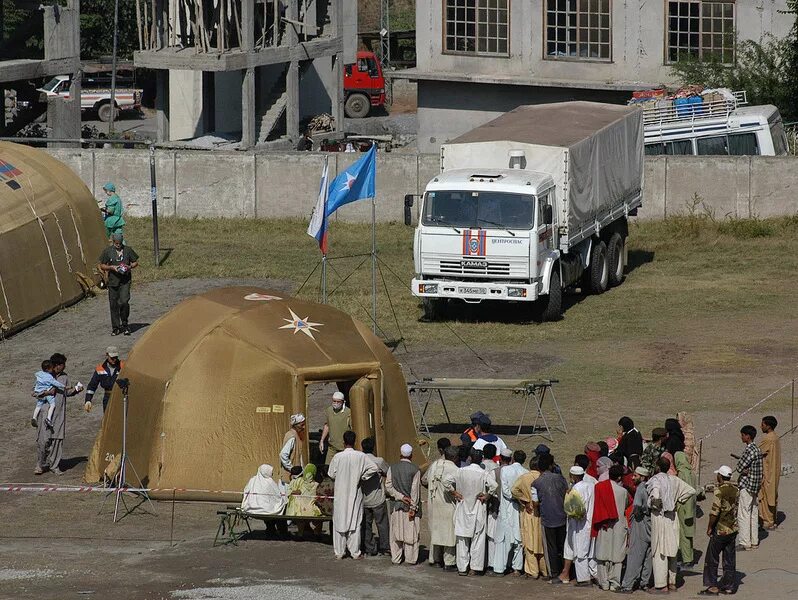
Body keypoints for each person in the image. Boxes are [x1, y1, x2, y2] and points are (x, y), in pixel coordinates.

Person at [442, 447, 499, 576]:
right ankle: (475, 567)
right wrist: (487, 496)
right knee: (477, 539)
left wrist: (455, 492)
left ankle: (462, 568)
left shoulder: (460, 471)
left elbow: (445, 481)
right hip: (478, 507)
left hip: (462, 506)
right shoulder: (483, 473)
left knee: (462, 539)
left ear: (470, 458)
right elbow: (494, 486)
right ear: (481, 460)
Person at [647, 456, 696, 593]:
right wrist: (678, 500)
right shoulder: (674, 480)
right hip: (672, 517)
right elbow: (691, 490)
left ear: (657, 467)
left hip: (660, 518)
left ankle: (661, 585)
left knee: (659, 551)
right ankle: (672, 583)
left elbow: (655, 496)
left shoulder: (655, 480)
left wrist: (655, 502)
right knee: (672, 551)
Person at [328, 430, 379, 559]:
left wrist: (340, 477)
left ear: (343, 442)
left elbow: (331, 474)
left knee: (339, 521)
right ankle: (355, 552)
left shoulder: (338, 457)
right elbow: (374, 468)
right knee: (354, 522)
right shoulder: (360, 456)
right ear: (355, 441)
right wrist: (362, 476)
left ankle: (339, 552)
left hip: (340, 493)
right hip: (354, 493)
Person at [35, 353, 82, 475]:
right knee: (43, 441)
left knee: (57, 440)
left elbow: (68, 391)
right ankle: (41, 464)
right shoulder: (43, 376)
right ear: (56, 365)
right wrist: (46, 393)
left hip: (59, 413)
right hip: (45, 412)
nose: (64, 366)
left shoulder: (65, 377)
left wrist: (76, 390)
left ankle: (54, 465)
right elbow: (34, 392)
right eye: (62, 364)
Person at [700, 465, 739, 595]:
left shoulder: (719, 491)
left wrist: (709, 527)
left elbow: (714, 512)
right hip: (732, 529)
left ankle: (712, 586)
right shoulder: (735, 490)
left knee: (712, 558)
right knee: (729, 559)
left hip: (720, 529)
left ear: (720, 476)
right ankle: (729, 586)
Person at [421, 439, 459, 570]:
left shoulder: (434, 465)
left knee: (435, 531)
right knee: (449, 533)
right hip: (448, 505)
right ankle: (449, 562)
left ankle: (435, 559)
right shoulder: (454, 469)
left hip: (433, 504)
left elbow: (424, 480)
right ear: (454, 457)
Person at [592, 464, 630, 591]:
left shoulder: (599, 487)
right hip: (618, 524)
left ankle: (604, 582)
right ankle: (614, 582)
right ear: (619, 477)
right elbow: (626, 505)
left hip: (604, 524)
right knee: (617, 554)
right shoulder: (623, 491)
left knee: (603, 553)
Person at [531, 453, 568, 582]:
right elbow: (566, 492)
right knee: (563, 545)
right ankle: (566, 570)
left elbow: (535, 503)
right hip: (562, 517)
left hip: (547, 519)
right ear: (551, 466)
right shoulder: (560, 478)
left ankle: (554, 573)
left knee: (550, 547)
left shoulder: (536, 483)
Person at [491, 449, 528, 576]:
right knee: (518, 537)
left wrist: (514, 497)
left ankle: (499, 568)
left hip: (507, 507)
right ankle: (517, 568)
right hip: (519, 507)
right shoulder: (525, 472)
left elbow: (506, 491)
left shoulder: (505, 470)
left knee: (502, 538)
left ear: (513, 459)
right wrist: (520, 499)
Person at [511, 455, 548, 580]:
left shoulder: (524, 477)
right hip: (543, 513)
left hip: (529, 512)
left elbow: (514, 490)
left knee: (529, 541)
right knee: (542, 542)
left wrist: (525, 500)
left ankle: (533, 571)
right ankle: (544, 570)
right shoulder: (544, 478)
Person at [385, 443, 422, 565]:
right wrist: (413, 507)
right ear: (411, 455)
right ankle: (410, 559)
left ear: (400, 454)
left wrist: (400, 497)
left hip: (396, 506)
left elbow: (388, 486)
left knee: (396, 533)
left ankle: (396, 558)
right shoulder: (415, 470)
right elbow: (414, 491)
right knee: (410, 534)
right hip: (410, 507)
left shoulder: (392, 468)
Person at [619, 466, 653, 593]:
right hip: (650, 524)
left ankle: (627, 585)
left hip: (641, 524)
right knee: (648, 555)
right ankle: (644, 582)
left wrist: (637, 515)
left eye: (636, 476)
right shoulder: (649, 487)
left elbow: (638, 507)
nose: (633, 478)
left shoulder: (640, 489)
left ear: (642, 477)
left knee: (635, 555)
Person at [559, 464, 595, 586]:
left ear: (573, 476)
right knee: (587, 550)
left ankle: (583, 578)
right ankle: (589, 575)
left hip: (580, 525)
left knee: (580, 552)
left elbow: (578, 510)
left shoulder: (576, 489)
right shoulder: (590, 486)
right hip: (589, 523)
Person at [98, 232, 139, 336]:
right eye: (116, 243)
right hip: (113, 281)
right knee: (114, 304)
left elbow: (135, 262)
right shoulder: (108, 251)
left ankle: (125, 324)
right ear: (113, 242)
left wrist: (129, 267)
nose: (118, 245)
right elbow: (102, 265)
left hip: (125, 280)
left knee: (124, 302)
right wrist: (111, 267)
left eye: (119, 243)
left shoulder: (128, 250)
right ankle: (116, 327)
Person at [735, 424, 763, 551]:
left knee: (743, 513)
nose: (741, 437)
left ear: (748, 436)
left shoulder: (749, 450)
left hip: (747, 485)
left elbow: (739, 467)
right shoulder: (757, 449)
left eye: (743, 435)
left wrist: (745, 470)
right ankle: (754, 540)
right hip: (755, 485)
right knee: (753, 513)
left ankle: (745, 541)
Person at [360, 436, 390, 556]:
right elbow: (388, 472)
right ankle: (384, 546)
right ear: (373, 448)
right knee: (382, 524)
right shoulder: (379, 461)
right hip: (378, 498)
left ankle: (370, 548)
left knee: (366, 525)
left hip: (364, 499)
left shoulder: (360, 460)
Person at [84, 346, 123, 412]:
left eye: (116, 357)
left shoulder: (123, 366)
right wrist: (88, 400)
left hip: (120, 397)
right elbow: (92, 386)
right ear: (107, 355)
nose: (114, 360)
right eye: (112, 358)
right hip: (107, 398)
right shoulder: (100, 368)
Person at [758, 415, 781, 530]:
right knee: (772, 494)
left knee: (766, 496)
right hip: (774, 471)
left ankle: (768, 521)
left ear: (768, 426)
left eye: (762, 424)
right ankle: (773, 519)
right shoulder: (775, 437)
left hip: (768, 472)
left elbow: (758, 451)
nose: (761, 426)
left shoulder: (768, 438)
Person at [674, 450, 697, 566]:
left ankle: (687, 559)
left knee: (683, 534)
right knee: (688, 533)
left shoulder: (682, 474)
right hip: (691, 507)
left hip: (684, 507)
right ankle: (689, 556)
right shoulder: (691, 473)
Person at [31, 360, 66, 428]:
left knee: (38, 406)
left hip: (40, 393)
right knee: (52, 405)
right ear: (47, 369)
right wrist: (64, 386)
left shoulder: (39, 374)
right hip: (48, 393)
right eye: (51, 368)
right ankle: (48, 418)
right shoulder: (49, 376)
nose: (52, 369)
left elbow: (35, 386)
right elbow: (55, 383)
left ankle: (34, 417)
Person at [481, 443, 500, 570]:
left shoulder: (481, 466)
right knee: (491, 535)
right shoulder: (497, 468)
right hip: (493, 504)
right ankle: (491, 562)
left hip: (481, 503)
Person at [319, 391, 352, 464]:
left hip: (344, 448)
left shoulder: (348, 412)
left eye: (338, 402)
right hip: (332, 447)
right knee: (327, 468)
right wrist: (322, 440)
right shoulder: (329, 410)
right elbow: (327, 425)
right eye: (334, 401)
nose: (336, 403)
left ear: (343, 402)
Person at [280, 413, 306, 478]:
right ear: (296, 425)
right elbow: (283, 455)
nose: (303, 427)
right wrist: (291, 468)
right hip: (289, 476)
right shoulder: (292, 436)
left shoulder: (297, 435)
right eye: (301, 425)